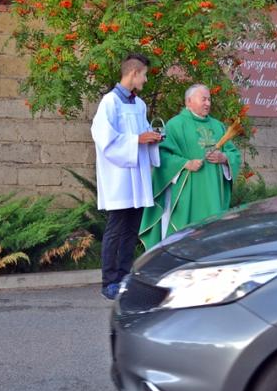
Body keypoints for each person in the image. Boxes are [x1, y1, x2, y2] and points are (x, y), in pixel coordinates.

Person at [91, 53, 163, 300]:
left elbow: (142, 133)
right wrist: (137, 140)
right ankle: (109, 282)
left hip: (138, 177)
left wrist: (152, 137)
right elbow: (104, 138)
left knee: (131, 229)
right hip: (120, 178)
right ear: (134, 73)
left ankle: (124, 277)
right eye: (144, 75)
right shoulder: (110, 102)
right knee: (116, 229)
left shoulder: (139, 105)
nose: (145, 80)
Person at [139, 84, 242, 249]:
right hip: (186, 193)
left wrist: (224, 158)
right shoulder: (175, 125)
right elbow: (162, 155)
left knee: (211, 236)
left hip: (213, 193)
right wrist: (185, 163)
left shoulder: (218, 126)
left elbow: (234, 154)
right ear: (189, 101)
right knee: (184, 240)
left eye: (209, 99)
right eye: (203, 99)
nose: (208, 103)